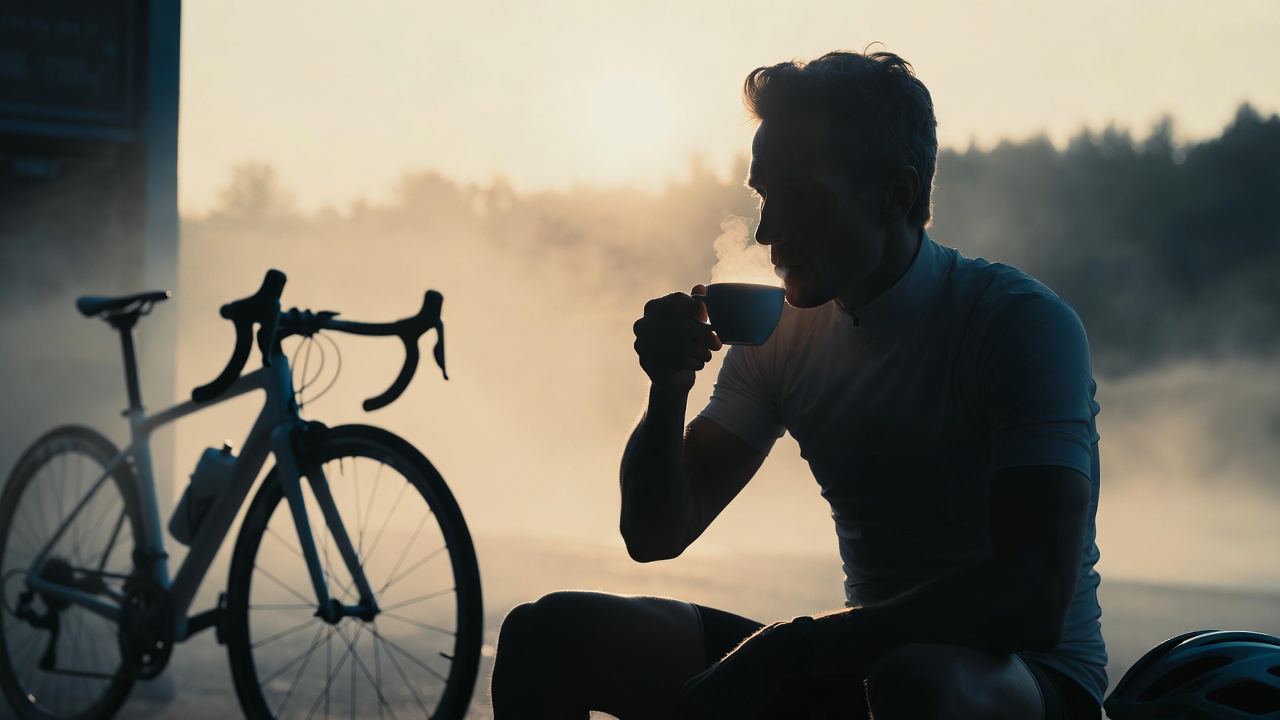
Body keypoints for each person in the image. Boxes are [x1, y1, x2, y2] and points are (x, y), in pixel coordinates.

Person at [490, 49, 1106, 720]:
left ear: (894, 196)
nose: (768, 232)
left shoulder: (1015, 324)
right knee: (544, 638)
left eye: (801, 198)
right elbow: (654, 531)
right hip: (858, 662)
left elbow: (1032, 599)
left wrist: (791, 647)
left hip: (1027, 684)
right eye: (764, 197)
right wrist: (668, 390)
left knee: (916, 683)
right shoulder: (781, 335)